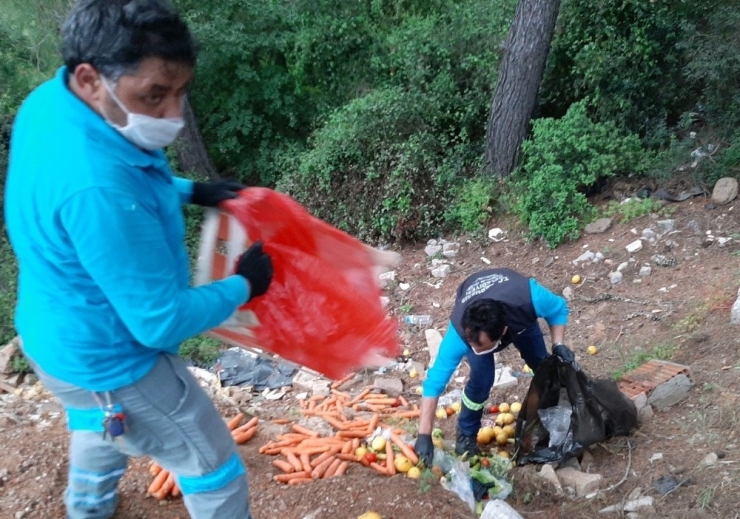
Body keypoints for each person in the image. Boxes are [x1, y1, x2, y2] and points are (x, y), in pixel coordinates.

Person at [3, 1, 271, 518]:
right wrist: (244, 285)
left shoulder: (51, 104)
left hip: (56, 339)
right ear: (89, 78)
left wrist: (193, 190)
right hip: (115, 358)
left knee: (95, 416)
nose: (173, 115)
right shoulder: (96, 188)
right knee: (213, 468)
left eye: (180, 92)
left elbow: (123, 179)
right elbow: (160, 320)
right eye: (154, 95)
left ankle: (87, 507)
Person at [414, 268, 569, 466]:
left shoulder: (530, 299)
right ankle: (466, 436)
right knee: (482, 379)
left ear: (503, 332)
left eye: (482, 347)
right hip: (475, 297)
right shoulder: (460, 335)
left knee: (543, 367)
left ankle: (546, 423)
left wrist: (559, 345)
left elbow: (559, 309)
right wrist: (424, 435)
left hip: (516, 311)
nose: (475, 351)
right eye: (472, 346)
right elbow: (434, 382)